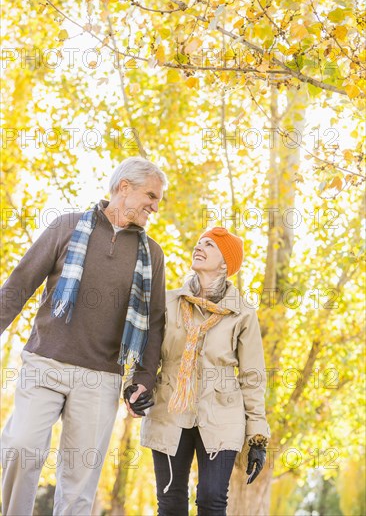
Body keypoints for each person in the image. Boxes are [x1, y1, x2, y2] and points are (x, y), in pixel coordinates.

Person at [0, 156, 167, 515]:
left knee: (78, 486)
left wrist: (143, 378)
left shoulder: (152, 255)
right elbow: (18, 285)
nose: (155, 206)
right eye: (151, 196)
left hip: (100, 377)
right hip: (45, 362)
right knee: (20, 447)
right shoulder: (66, 227)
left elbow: (154, 323)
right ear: (124, 188)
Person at [126, 227, 271, 516]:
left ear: (225, 264)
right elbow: (146, 353)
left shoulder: (242, 313)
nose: (200, 246)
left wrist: (257, 437)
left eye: (210, 245)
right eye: (199, 242)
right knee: (170, 501)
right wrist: (134, 386)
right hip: (169, 412)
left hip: (222, 415)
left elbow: (252, 377)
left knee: (212, 499)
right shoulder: (168, 302)